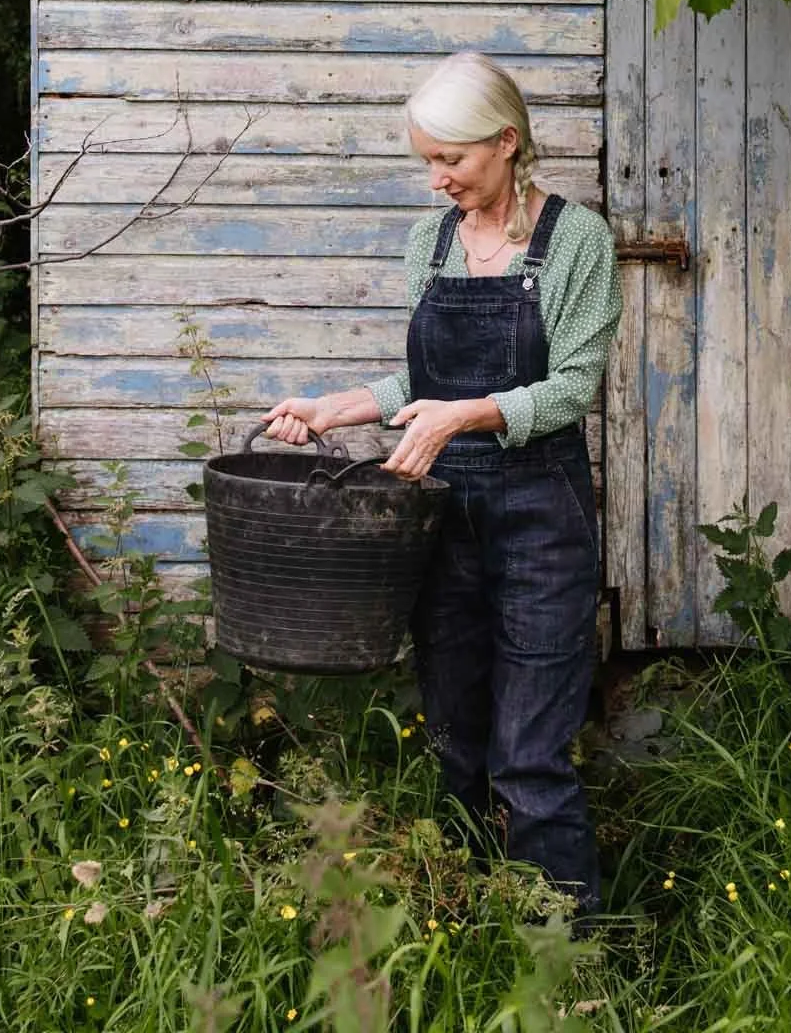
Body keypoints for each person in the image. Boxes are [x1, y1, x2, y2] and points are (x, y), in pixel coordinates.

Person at [262, 49, 624, 916]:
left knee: (529, 753)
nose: (436, 181)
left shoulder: (577, 240)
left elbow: (572, 386)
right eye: (426, 160)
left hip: (540, 511)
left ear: (505, 142)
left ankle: (568, 949)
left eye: (450, 160)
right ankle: (471, 915)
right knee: (457, 741)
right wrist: (331, 408)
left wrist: (461, 417)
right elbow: (415, 386)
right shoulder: (428, 244)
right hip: (439, 516)